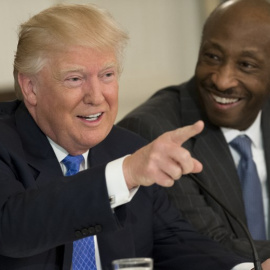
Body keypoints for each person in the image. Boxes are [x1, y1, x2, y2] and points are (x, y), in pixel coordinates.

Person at [0, 3, 258, 270]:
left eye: (107, 75)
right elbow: (11, 228)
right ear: (31, 88)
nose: (97, 96)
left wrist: (249, 269)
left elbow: (175, 242)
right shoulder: (6, 145)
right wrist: (123, 175)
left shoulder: (127, 147)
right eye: (75, 79)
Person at [118, 0, 270, 263]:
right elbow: (208, 244)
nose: (222, 80)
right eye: (212, 57)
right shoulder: (154, 130)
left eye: (246, 65)